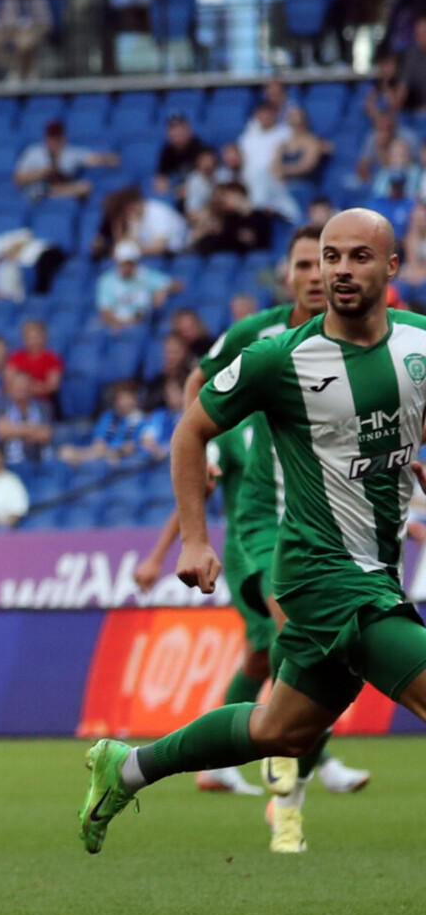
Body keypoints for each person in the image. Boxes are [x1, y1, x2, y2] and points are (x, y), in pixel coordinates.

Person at [79, 209, 425, 858]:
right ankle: (292, 800)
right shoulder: (276, 357)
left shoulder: (419, 345)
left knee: (279, 730)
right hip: (320, 573)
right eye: (331, 257)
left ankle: (125, 768)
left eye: (358, 257)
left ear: (392, 267)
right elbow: (190, 429)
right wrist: (192, 538)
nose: (341, 271)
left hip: (376, 568)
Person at [131, 225, 368, 797]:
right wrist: (207, 448)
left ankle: (225, 761)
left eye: (327, 263)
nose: (317, 274)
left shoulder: (353, 346)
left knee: (264, 657)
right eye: (306, 264)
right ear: (289, 274)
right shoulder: (256, 342)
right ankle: (310, 760)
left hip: (320, 526)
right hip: (258, 532)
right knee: (300, 632)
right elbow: (198, 385)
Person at [15, 120, 117, 200]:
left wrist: (112, 159)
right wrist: (43, 172)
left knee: (85, 186)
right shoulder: (33, 153)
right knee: (37, 189)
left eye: (57, 137)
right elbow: (18, 179)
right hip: (38, 191)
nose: (54, 141)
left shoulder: (71, 153)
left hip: (63, 189)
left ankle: (56, 193)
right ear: (46, 137)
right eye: (51, 137)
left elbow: (94, 158)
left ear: (64, 137)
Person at [96, 251, 178, 331]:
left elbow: (176, 284)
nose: (126, 267)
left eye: (130, 263)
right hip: (120, 325)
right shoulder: (107, 280)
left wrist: (163, 290)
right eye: (123, 263)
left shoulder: (145, 275)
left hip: (143, 324)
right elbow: (105, 310)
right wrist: (118, 323)